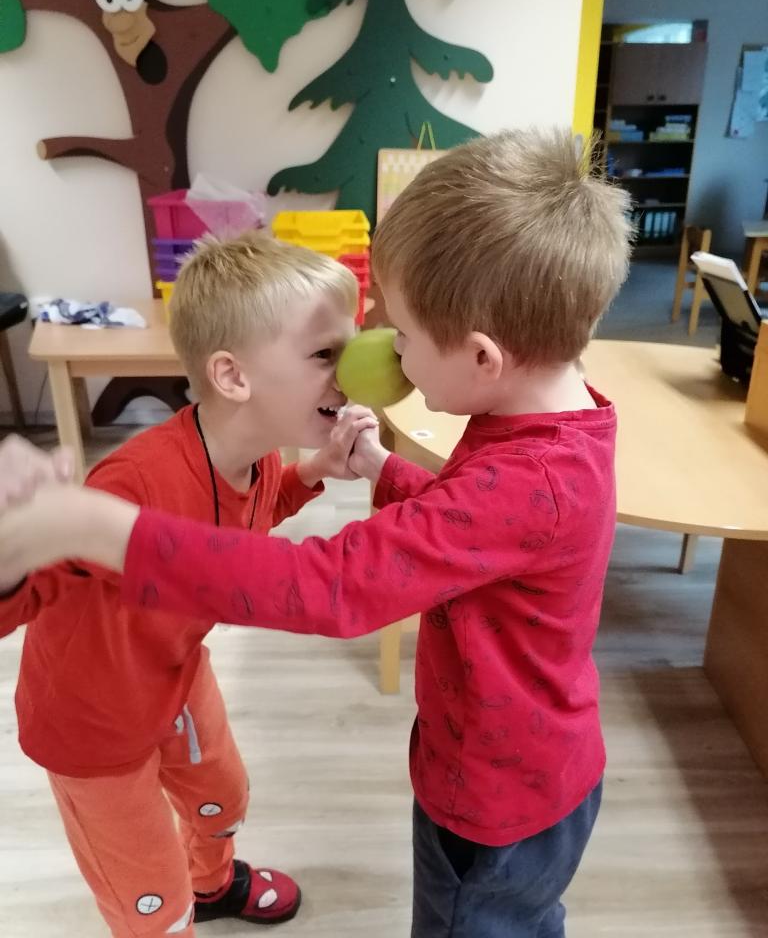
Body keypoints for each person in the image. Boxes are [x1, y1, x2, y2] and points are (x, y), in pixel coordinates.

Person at [0, 127, 632, 937]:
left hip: (500, 796)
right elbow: (477, 526)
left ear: (482, 358)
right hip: (112, 724)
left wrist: (107, 529)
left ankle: (212, 880)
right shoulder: (544, 430)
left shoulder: (531, 474)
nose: (383, 362)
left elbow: (334, 581)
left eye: (400, 337)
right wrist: (378, 469)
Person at [0, 233, 377, 938]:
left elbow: (239, 528)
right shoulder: (134, 482)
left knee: (223, 799)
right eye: (326, 353)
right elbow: (25, 592)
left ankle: (213, 884)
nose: (351, 370)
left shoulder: (259, 457)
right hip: (92, 728)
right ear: (233, 376)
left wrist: (313, 473)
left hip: (175, 672)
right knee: (150, 900)